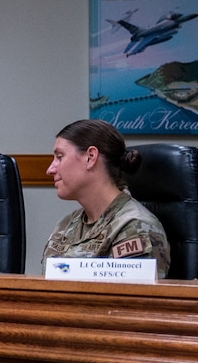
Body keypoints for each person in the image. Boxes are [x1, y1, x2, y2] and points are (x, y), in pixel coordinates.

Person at [41, 119, 169, 277]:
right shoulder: (66, 225)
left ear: (90, 157)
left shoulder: (135, 227)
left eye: (60, 157)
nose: (50, 169)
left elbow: (128, 299)